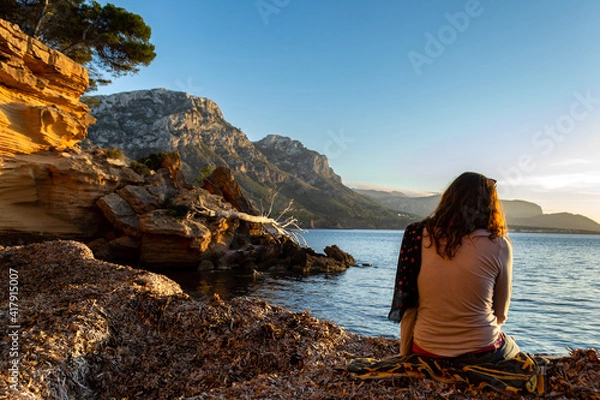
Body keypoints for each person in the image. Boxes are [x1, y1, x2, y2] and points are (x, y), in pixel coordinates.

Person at [389, 172, 520, 364]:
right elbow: (500, 314)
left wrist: (405, 356)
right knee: (512, 345)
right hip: (481, 352)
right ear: (490, 205)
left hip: (426, 349)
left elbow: (408, 307)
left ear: (448, 199)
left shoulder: (416, 235)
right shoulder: (500, 245)